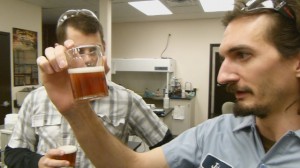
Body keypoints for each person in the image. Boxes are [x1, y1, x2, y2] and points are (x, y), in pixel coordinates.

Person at [36, 0, 300, 167]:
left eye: (243, 55)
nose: (222, 77)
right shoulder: (214, 133)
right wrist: (76, 109)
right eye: (224, 58)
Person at [4, 9, 173, 168]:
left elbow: (169, 149)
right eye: (77, 52)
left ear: (104, 48)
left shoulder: (127, 99)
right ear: (60, 51)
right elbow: (13, 153)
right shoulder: (36, 99)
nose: (87, 60)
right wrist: (40, 162)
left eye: (93, 50)